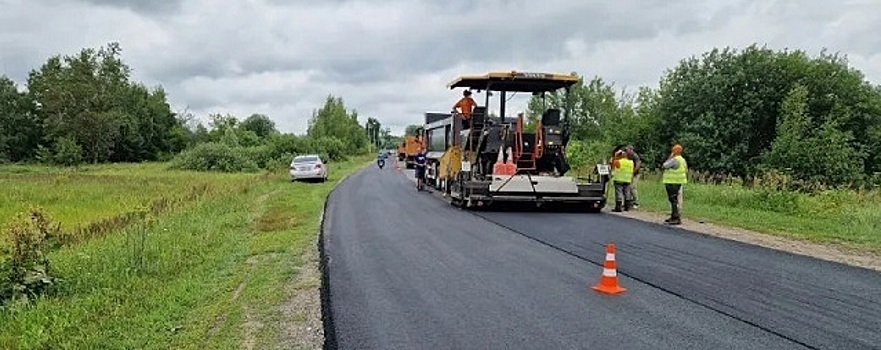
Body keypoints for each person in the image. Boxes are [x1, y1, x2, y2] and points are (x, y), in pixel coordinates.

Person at [661, 144, 687, 225]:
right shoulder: (682, 160)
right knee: (674, 199)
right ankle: (673, 216)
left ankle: (675, 217)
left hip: (672, 182)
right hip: (678, 182)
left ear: (675, 151)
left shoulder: (675, 160)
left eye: (673, 150)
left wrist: (670, 156)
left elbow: (664, 165)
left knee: (673, 200)